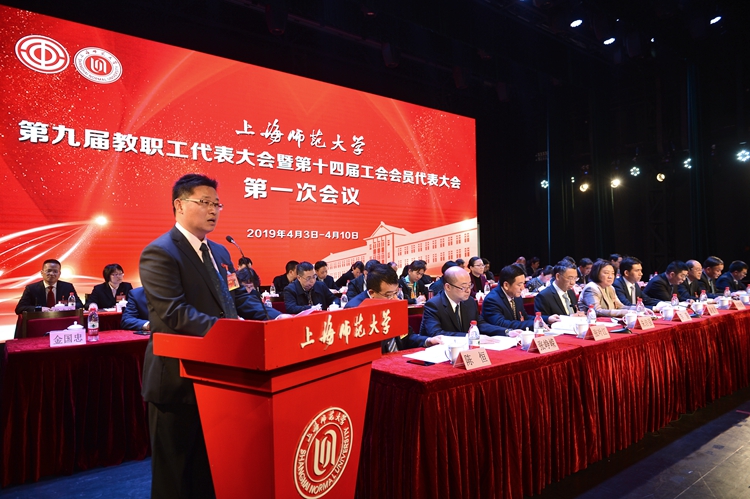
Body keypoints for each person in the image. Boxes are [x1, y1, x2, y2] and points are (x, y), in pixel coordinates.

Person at [139, 173, 283, 499]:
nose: (213, 210)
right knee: (175, 478)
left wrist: (279, 317)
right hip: (177, 380)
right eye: (204, 202)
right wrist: (234, 332)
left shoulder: (219, 252)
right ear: (179, 205)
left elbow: (239, 298)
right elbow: (175, 313)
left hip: (220, 377)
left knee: (211, 471)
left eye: (217, 204)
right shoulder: (160, 252)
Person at [345, 263, 442, 351]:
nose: (395, 299)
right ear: (372, 293)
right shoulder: (356, 310)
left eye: (395, 293)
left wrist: (428, 341)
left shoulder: (394, 302)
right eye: (388, 295)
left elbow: (406, 337)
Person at [420, 266, 505, 337]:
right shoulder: (434, 305)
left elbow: (480, 324)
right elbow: (436, 333)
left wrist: (506, 331)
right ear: (448, 287)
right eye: (463, 287)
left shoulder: (470, 301)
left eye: (470, 285)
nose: (468, 291)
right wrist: (470, 336)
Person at [482, 264, 559, 333]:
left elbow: (524, 317)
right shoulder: (492, 299)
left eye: (523, 283)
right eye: (519, 285)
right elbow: (501, 323)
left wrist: (547, 319)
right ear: (506, 285)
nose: (523, 288)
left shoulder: (516, 297)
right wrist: (532, 324)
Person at [15, 258, 83, 315]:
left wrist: (62, 307)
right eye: (48, 271)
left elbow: (79, 305)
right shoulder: (31, 288)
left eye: (55, 271)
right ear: (42, 273)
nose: (52, 274)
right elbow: (19, 308)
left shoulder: (67, 287)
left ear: (59, 274)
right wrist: (40, 309)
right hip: (39, 321)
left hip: (61, 321)